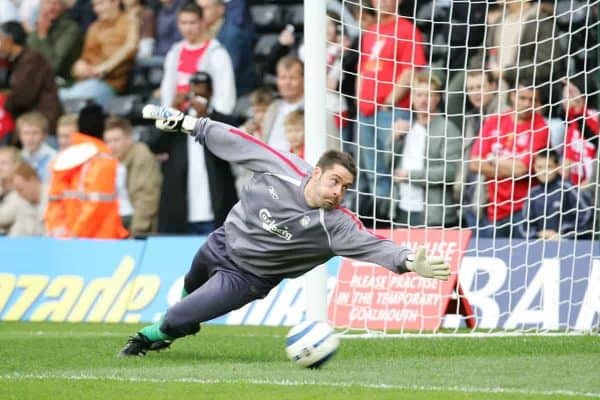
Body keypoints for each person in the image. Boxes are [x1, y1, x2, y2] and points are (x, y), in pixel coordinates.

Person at [117, 104, 451, 357]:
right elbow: (238, 141)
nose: (338, 192)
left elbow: (373, 244)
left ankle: (149, 336)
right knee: (188, 290)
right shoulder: (284, 168)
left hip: (247, 278)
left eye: (345, 188)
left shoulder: (334, 224)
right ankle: (177, 325)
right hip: (223, 240)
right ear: (316, 173)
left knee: (176, 313)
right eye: (334, 181)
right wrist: (189, 123)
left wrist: (407, 260)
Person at [155, 71, 239, 234]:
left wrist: (208, 116)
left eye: (202, 90)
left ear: (211, 93)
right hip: (181, 210)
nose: (197, 94)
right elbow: (155, 144)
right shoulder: (177, 122)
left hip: (216, 209)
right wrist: (171, 112)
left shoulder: (221, 121)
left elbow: (233, 142)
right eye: (194, 89)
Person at [469, 75, 550, 238]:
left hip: (524, 210)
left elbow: (522, 170)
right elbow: (475, 164)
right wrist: (509, 167)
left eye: (533, 100)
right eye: (523, 98)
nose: (527, 104)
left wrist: (493, 161)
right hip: (494, 208)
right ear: (513, 96)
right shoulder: (494, 121)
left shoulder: (541, 127)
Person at [393, 71, 461, 228]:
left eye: (429, 95)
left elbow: (450, 172)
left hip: (434, 214)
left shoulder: (447, 129)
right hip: (403, 208)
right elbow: (388, 165)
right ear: (412, 98)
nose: (423, 100)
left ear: (437, 98)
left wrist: (410, 176)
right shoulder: (406, 127)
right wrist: (394, 140)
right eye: (419, 95)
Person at [59, 0, 139, 109]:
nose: (96, 9)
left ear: (115, 2)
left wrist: (103, 68)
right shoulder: (94, 27)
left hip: (110, 84)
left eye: (101, 3)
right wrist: (80, 66)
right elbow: (85, 58)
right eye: (94, 5)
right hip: (86, 82)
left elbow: (130, 47)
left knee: (70, 100)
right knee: (57, 96)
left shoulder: (129, 22)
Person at [160, 2, 236, 115]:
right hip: (177, 118)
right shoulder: (175, 52)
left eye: (192, 23)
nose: (188, 28)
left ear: (202, 22)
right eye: (183, 23)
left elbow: (225, 94)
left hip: (205, 119)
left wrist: (213, 117)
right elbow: (167, 89)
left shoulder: (217, 53)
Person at [103, 116, 162, 236]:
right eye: (108, 141)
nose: (112, 146)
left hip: (133, 223)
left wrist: (136, 232)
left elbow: (146, 198)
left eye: (116, 140)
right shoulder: (107, 159)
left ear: (129, 139)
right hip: (114, 222)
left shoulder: (141, 155)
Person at [0, 21, 62, 135]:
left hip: (43, 127)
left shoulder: (32, 61)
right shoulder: (14, 61)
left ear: (8, 40)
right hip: (28, 124)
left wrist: (4, 100)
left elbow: (22, 97)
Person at [518, 149, 593, 240]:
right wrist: (539, 234)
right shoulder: (533, 193)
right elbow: (524, 226)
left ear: (557, 167)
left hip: (570, 246)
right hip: (539, 246)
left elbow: (587, 215)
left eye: (549, 167)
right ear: (534, 168)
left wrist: (563, 233)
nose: (544, 172)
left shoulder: (568, 189)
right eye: (540, 167)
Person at [27, 0, 83, 84]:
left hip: (63, 83)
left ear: (64, 6)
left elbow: (53, 67)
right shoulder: (40, 27)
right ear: (40, 6)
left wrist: (43, 36)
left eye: (56, 3)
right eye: (47, 2)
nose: (51, 7)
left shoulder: (71, 29)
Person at [16, 111, 57, 184]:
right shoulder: (18, 157)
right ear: (20, 136)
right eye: (26, 133)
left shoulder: (54, 158)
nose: (30, 138)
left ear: (44, 135)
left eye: (35, 133)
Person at [8, 161, 46, 236]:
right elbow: (16, 234)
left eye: (21, 189)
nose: (19, 195)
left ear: (33, 180)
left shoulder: (55, 198)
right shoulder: (23, 203)